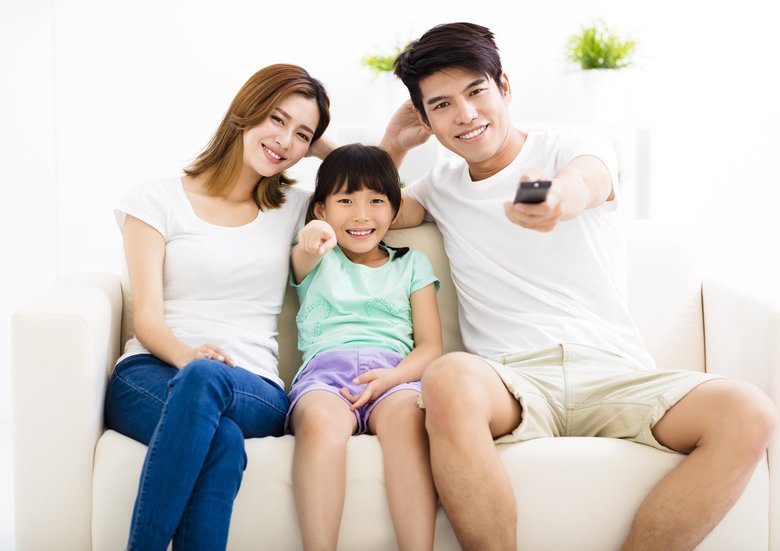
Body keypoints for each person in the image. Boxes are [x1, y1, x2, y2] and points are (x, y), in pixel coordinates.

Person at [379, 22, 776, 551]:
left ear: (505, 87)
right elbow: (369, 214)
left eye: (476, 92)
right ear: (427, 118)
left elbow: (584, 180)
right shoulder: (441, 186)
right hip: (513, 381)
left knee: (749, 411)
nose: (466, 114)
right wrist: (393, 145)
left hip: (614, 371)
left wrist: (553, 200)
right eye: (443, 105)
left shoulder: (571, 144)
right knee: (448, 376)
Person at [104, 63, 331, 551]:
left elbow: (371, 186)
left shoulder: (294, 206)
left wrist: (321, 146)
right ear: (244, 111)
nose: (285, 140)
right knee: (221, 439)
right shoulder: (156, 200)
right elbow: (146, 318)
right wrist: (191, 358)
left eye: (302, 134)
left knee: (209, 383)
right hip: (150, 373)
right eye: (276, 118)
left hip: (253, 387)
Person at [287, 143, 442, 550]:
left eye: (376, 201)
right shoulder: (317, 257)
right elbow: (306, 248)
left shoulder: (412, 264)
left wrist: (393, 377)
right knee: (319, 423)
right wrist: (314, 236)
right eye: (345, 200)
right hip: (327, 375)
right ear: (321, 209)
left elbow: (430, 347)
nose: (360, 214)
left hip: (397, 375)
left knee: (410, 423)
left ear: (394, 210)